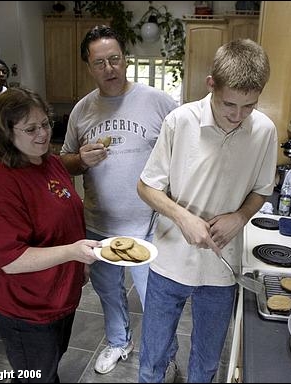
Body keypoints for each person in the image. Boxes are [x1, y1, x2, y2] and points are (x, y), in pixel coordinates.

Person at [137, 38, 278, 382]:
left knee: (207, 364)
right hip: (169, 263)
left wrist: (240, 217)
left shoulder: (264, 131)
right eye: (230, 103)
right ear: (211, 84)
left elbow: (261, 191)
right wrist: (182, 216)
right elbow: (146, 187)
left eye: (249, 106)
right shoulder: (178, 122)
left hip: (221, 271)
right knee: (153, 359)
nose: (238, 116)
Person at [59, 25, 178, 375]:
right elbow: (64, 161)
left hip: (150, 225)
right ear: (89, 67)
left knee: (156, 300)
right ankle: (118, 341)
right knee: (109, 293)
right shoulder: (82, 111)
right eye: (100, 63)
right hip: (100, 226)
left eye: (114, 59)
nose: (109, 68)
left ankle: (164, 355)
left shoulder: (159, 103)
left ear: (125, 59)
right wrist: (81, 159)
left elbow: (183, 153)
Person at [0, 87, 100, 383]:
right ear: (6, 132)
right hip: (26, 308)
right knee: (36, 375)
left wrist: (79, 263)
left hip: (59, 295)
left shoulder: (50, 162)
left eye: (45, 123)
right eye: (31, 128)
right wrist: (73, 252)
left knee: (48, 367)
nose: (42, 133)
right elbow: (10, 259)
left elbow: (67, 221)